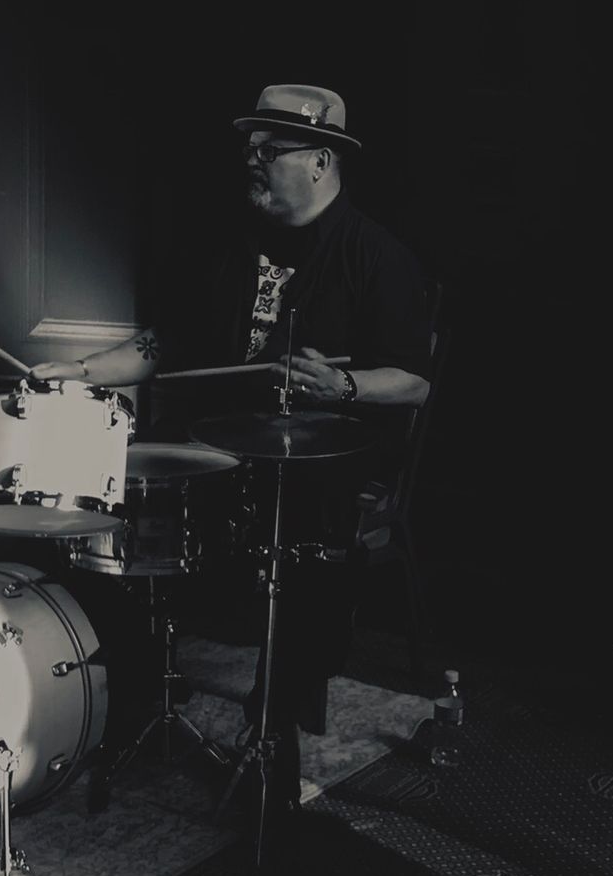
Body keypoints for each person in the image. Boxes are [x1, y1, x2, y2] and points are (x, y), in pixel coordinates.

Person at [31, 83, 433, 832]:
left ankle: (272, 726)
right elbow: (161, 345)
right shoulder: (224, 245)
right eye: (249, 148)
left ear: (320, 161)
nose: (252, 161)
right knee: (103, 500)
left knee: (306, 543)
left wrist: (341, 385)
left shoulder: (377, 257)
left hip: (315, 459)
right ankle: (137, 694)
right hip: (212, 443)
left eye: (269, 150)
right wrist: (78, 372)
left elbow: (412, 380)